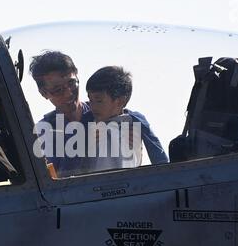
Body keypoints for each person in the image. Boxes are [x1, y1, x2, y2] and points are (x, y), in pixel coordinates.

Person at [29, 51, 168, 177]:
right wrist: (82, 147)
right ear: (44, 94)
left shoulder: (111, 113)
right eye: (58, 90)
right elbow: (54, 183)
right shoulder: (43, 133)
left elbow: (159, 162)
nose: (68, 93)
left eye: (72, 83)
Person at [83, 66, 142, 172]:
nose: (93, 106)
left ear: (119, 101)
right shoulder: (88, 128)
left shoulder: (132, 129)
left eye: (99, 101)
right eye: (90, 100)